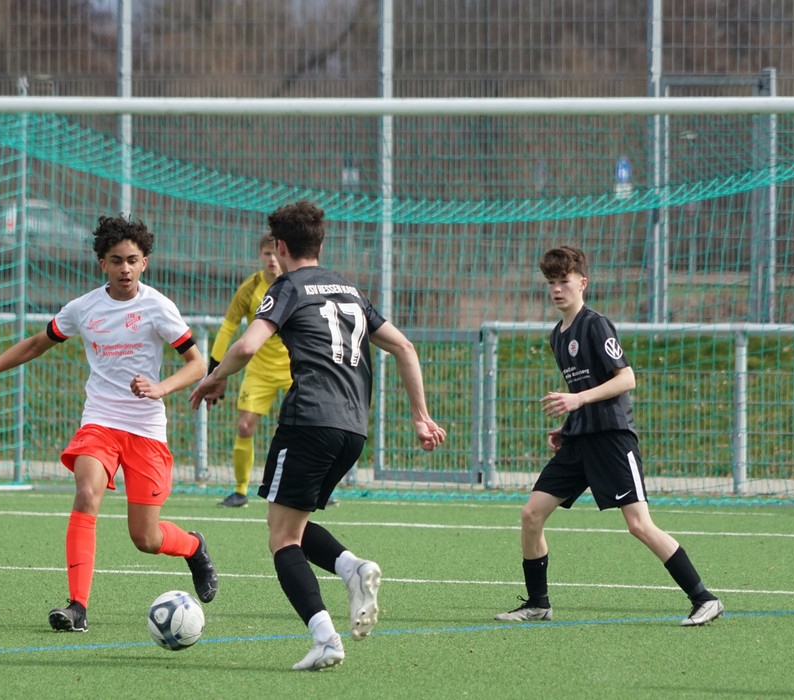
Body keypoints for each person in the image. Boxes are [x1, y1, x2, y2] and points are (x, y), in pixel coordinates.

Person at [190, 200, 446, 670]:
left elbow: (247, 344)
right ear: (321, 245)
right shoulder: (349, 289)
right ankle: (353, 569)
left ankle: (325, 638)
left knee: (281, 538)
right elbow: (405, 347)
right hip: (353, 430)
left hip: (309, 421)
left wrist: (214, 377)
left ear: (281, 247)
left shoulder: (288, 286)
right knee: (295, 524)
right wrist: (420, 417)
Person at [0, 215, 218, 633]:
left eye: (132, 260)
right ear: (102, 263)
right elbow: (36, 343)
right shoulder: (83, 308)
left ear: (144, 263)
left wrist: (161, 388)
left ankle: (193, 547)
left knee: (146, 539)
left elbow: (197, 364)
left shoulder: (158, 306)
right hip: (100, 421)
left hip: (145, 429)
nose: (125, 268)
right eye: (116, 260)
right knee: (87, 492)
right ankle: (77, 607)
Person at [494, 245, 723, 627]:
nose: (556, 289)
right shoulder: (557, 336)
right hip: (580, 440)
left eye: (564, 281)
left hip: (612, 439)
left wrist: (577, 400)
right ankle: (538, 603)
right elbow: (584, 391)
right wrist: (569, 424)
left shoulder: (595, 324)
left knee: (638, 525)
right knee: (531, 514)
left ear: (582, 283)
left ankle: (705, 598)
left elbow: (626, 378)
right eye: (551, 283)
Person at [209, 232, 342, 507]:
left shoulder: (296, 286)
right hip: (259, 369)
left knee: (313, 426)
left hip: (295, 366)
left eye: (274, 253)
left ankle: (317, 488)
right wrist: (215, 368)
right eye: (266, 253)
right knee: (245, 426)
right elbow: (228, 327)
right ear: (260, 255)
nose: (271, 259)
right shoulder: (250, 287)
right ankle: (240, 491)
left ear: (283, 253)